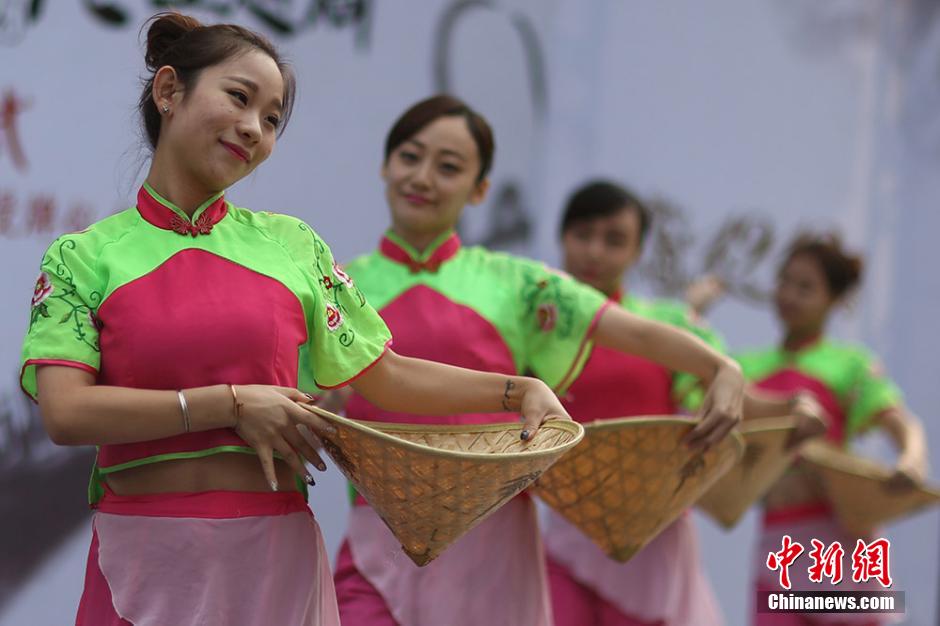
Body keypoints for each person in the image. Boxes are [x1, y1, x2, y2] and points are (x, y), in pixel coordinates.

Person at [20, 15, 576, 626]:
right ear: (169, 91)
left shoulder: (292, 244)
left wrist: (516, 390)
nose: (253, 128)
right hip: (142, 556)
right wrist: (231, 404)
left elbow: (383, 373)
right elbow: (66, 413)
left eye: (272, 119)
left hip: (274, 557)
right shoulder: (82, 257)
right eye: (239, 97)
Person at [330, 96, 747, 626]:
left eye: (450, 167)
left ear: (480, 189)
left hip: (494, 546)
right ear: (385, 166)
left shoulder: (519, 284)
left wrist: (720, 368)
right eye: (410, 157)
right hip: (378, 539)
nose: (423, 177)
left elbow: (627, 327)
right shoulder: (339, 283)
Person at [544, 180, 824, 626]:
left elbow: (728, 393)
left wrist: (791, 407)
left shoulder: (665, 325)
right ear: (561, 238)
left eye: (614, 240)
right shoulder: (536, 327)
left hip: (650, 532)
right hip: (564, 533)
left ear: (638, 252)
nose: (595, 251)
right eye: (582, 235)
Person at [735, 233, 928, 626]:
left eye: (805, 287)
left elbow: (901, 422)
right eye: (785, 281)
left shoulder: (850, 365)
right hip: (779, 542)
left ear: (835, 300)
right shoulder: (744, 367)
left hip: (839, 543)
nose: (788, 294)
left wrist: (911, 463)